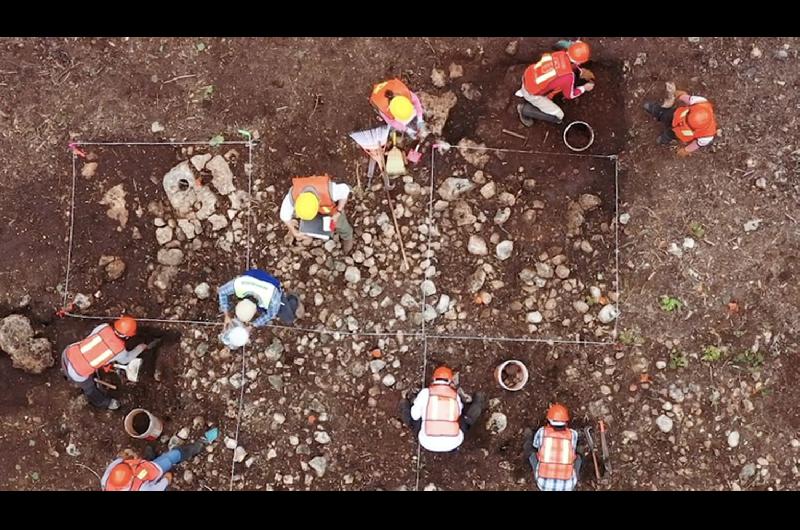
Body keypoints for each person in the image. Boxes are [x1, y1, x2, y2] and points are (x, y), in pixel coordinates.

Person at [61, 316, 147, 410]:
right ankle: (105, 403)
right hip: (77, 373)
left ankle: (68, 371)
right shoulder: (119, 349)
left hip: (68, 353)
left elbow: (95, 346)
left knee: (85, 356)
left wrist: (105, 363)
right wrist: (141, 347)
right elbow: (125, 360)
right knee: (90, 389)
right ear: (127, 336)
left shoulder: (103, 327)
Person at [399, 365, 486, 452]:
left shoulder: (425, 393)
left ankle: (403, 402)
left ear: (433, 379)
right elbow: (459, 413)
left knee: (412, 420)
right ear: (451, 381)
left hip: (427, 442)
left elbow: (414, 415)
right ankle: (479, 401)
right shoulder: (455, 395)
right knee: (467, 419)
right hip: (454, 442)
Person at [515, 40, 594, 126]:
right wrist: (584, 88)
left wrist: (580, 72)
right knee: (559, 115)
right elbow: (569, 95)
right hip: (531, 93)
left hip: (528, 78)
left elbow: (564, 66)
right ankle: (525, 110)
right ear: (579, 62)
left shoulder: (559, 54)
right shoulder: (568, 77)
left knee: (558, 84)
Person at [279, 175, 354, 253]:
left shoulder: (331, 191)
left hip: (331, 209)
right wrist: (294, 232)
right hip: (320, 208)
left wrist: (338, 212)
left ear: (318, 201)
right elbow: (284, 216)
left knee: (341, 224)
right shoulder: (292, 196)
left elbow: (345, 190)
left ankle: (347, 236)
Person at [101, 439, 206, 491]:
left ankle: (149, 459)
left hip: (144, 470)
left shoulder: (107, 479)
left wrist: (125, 457)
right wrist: (166, 479)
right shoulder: (142, 489)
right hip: (152, 475)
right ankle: (194, 449)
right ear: (131, 480)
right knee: (172, 456)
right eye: (132, 468)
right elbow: (160, 486)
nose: (132, 465)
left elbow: (120, 459)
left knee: (146, 461)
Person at [644, 84, 717, 156]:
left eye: (689, 124)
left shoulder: (707, 136)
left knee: (670, 134)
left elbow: (696, 144)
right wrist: (679, 95)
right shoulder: (701, 102)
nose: (684, 122)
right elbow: (686, 98)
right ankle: (658, 112)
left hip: (679, 133)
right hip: (675, 115)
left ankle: (665, 138)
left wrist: (686, 150)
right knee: (665, 114)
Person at [523, 403, 582, 491]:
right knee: (578, 457)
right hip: (568, 486)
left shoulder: (542, 431)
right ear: (566, 421)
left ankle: (528, 437)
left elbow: (536, 445)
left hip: (543, 484)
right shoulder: (573, 434)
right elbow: (573, 448)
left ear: (549, 419)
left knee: (531, 452)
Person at [218, 269, 299, 329]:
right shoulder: (239, 284)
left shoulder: (272, 299)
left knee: (289, 318)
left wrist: (253, 325)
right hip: (253, 276)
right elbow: (222, 291)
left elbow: (270, 315)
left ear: (255, 311)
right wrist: (226, 315)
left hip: (271, 287)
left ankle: (293, 298)